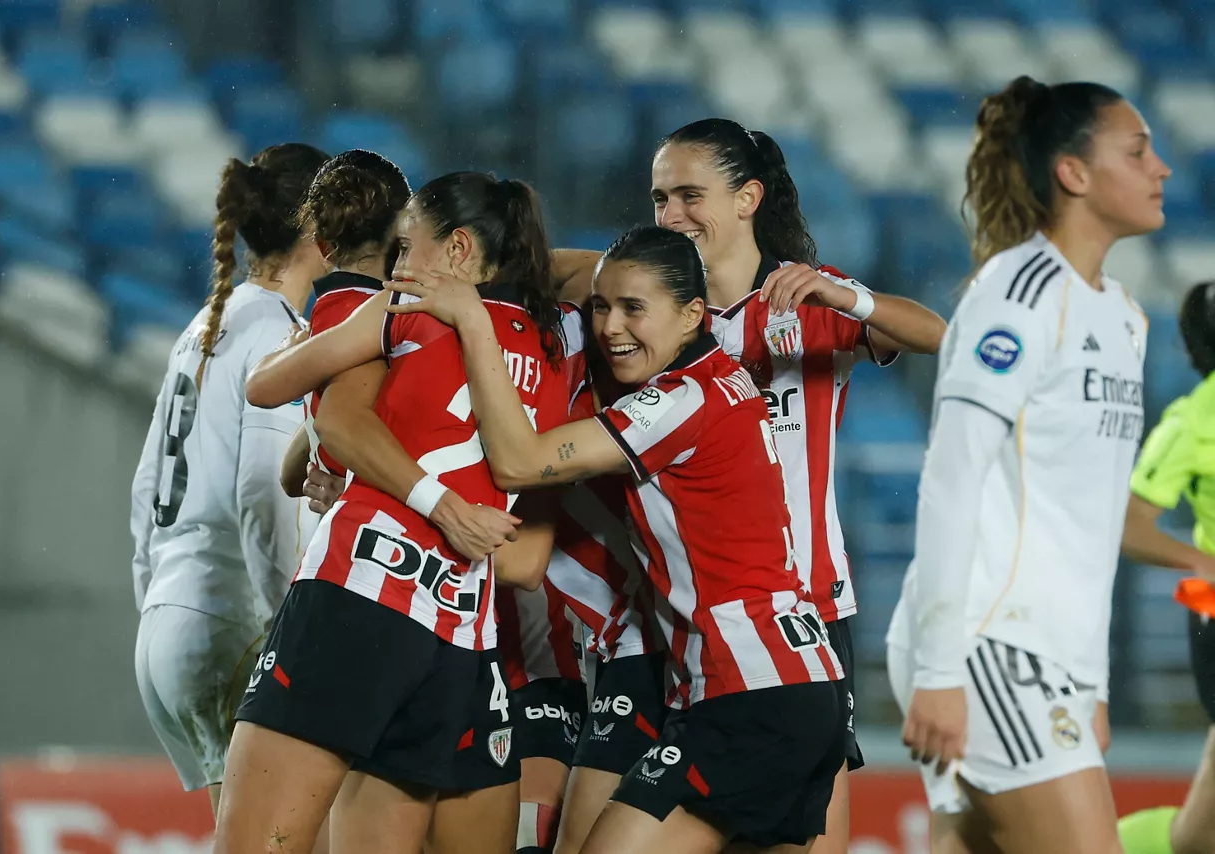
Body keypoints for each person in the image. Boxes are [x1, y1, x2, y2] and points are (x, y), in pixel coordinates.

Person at [550, 118, 947, 854]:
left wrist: (849, 298)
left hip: (802, 619)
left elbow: (939, 337)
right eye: (660, 197)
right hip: (670, 620)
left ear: (747, 198)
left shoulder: (806, 305)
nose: (670, 214)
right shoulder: (644, 311)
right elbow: (544, 266)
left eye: (689, 195)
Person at [386, 224, 849, 853]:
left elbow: (520, 462)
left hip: (748, 695)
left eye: (635, 308)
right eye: (600, 305)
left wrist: (472, 320)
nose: (609, 327)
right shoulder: (727, 380)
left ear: (692, 314)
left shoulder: (678, 400)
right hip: (798, 682)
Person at [214, 172, 569, 854]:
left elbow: (265, 387)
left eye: (407, 247)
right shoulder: (550, 354)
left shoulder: (407, 307)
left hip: (360, 592)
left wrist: (323, 348)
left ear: (459, 250)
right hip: (457, 635)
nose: (396, 266)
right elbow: (524, 553)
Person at [886, 75, 1170, 854]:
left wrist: (1092, 686)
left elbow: (1090, 514)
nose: (1162, 169)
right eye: (1138, 151)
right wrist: (942, 671)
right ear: (1073, 174)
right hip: (988, 650)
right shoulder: (1018, 292)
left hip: (1044, 663)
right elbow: (950, 478)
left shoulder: (1122, 315)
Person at [129, 142, 331, 814]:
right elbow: (258, 491)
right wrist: (286, 622)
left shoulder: (207, 323)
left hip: (168, 617)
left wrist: (160, 600)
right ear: (318, 228)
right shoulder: (280, 333)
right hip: (230, 618)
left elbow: (144, 487)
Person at [1116, 281, 1215, 854]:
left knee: (1201, 832)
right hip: (1212, 611)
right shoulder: (1190, 421)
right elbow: (1130, 526)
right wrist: (1205, 562)